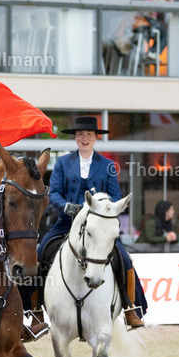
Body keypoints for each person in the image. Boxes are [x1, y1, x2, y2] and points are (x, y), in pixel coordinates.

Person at [32, 115, 146, 330]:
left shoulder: (108, 165)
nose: (84, 138)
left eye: (89, 135)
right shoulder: (63, 163)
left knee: (124, 258)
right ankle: (36, 312)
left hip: (98, 226)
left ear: (95, 138)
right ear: (75, 137)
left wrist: (102, 208)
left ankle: (131, 308)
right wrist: (66, 206)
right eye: (81, 134)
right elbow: (53, 192)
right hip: (67, 223)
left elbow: (115, 195)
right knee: (40, 254)